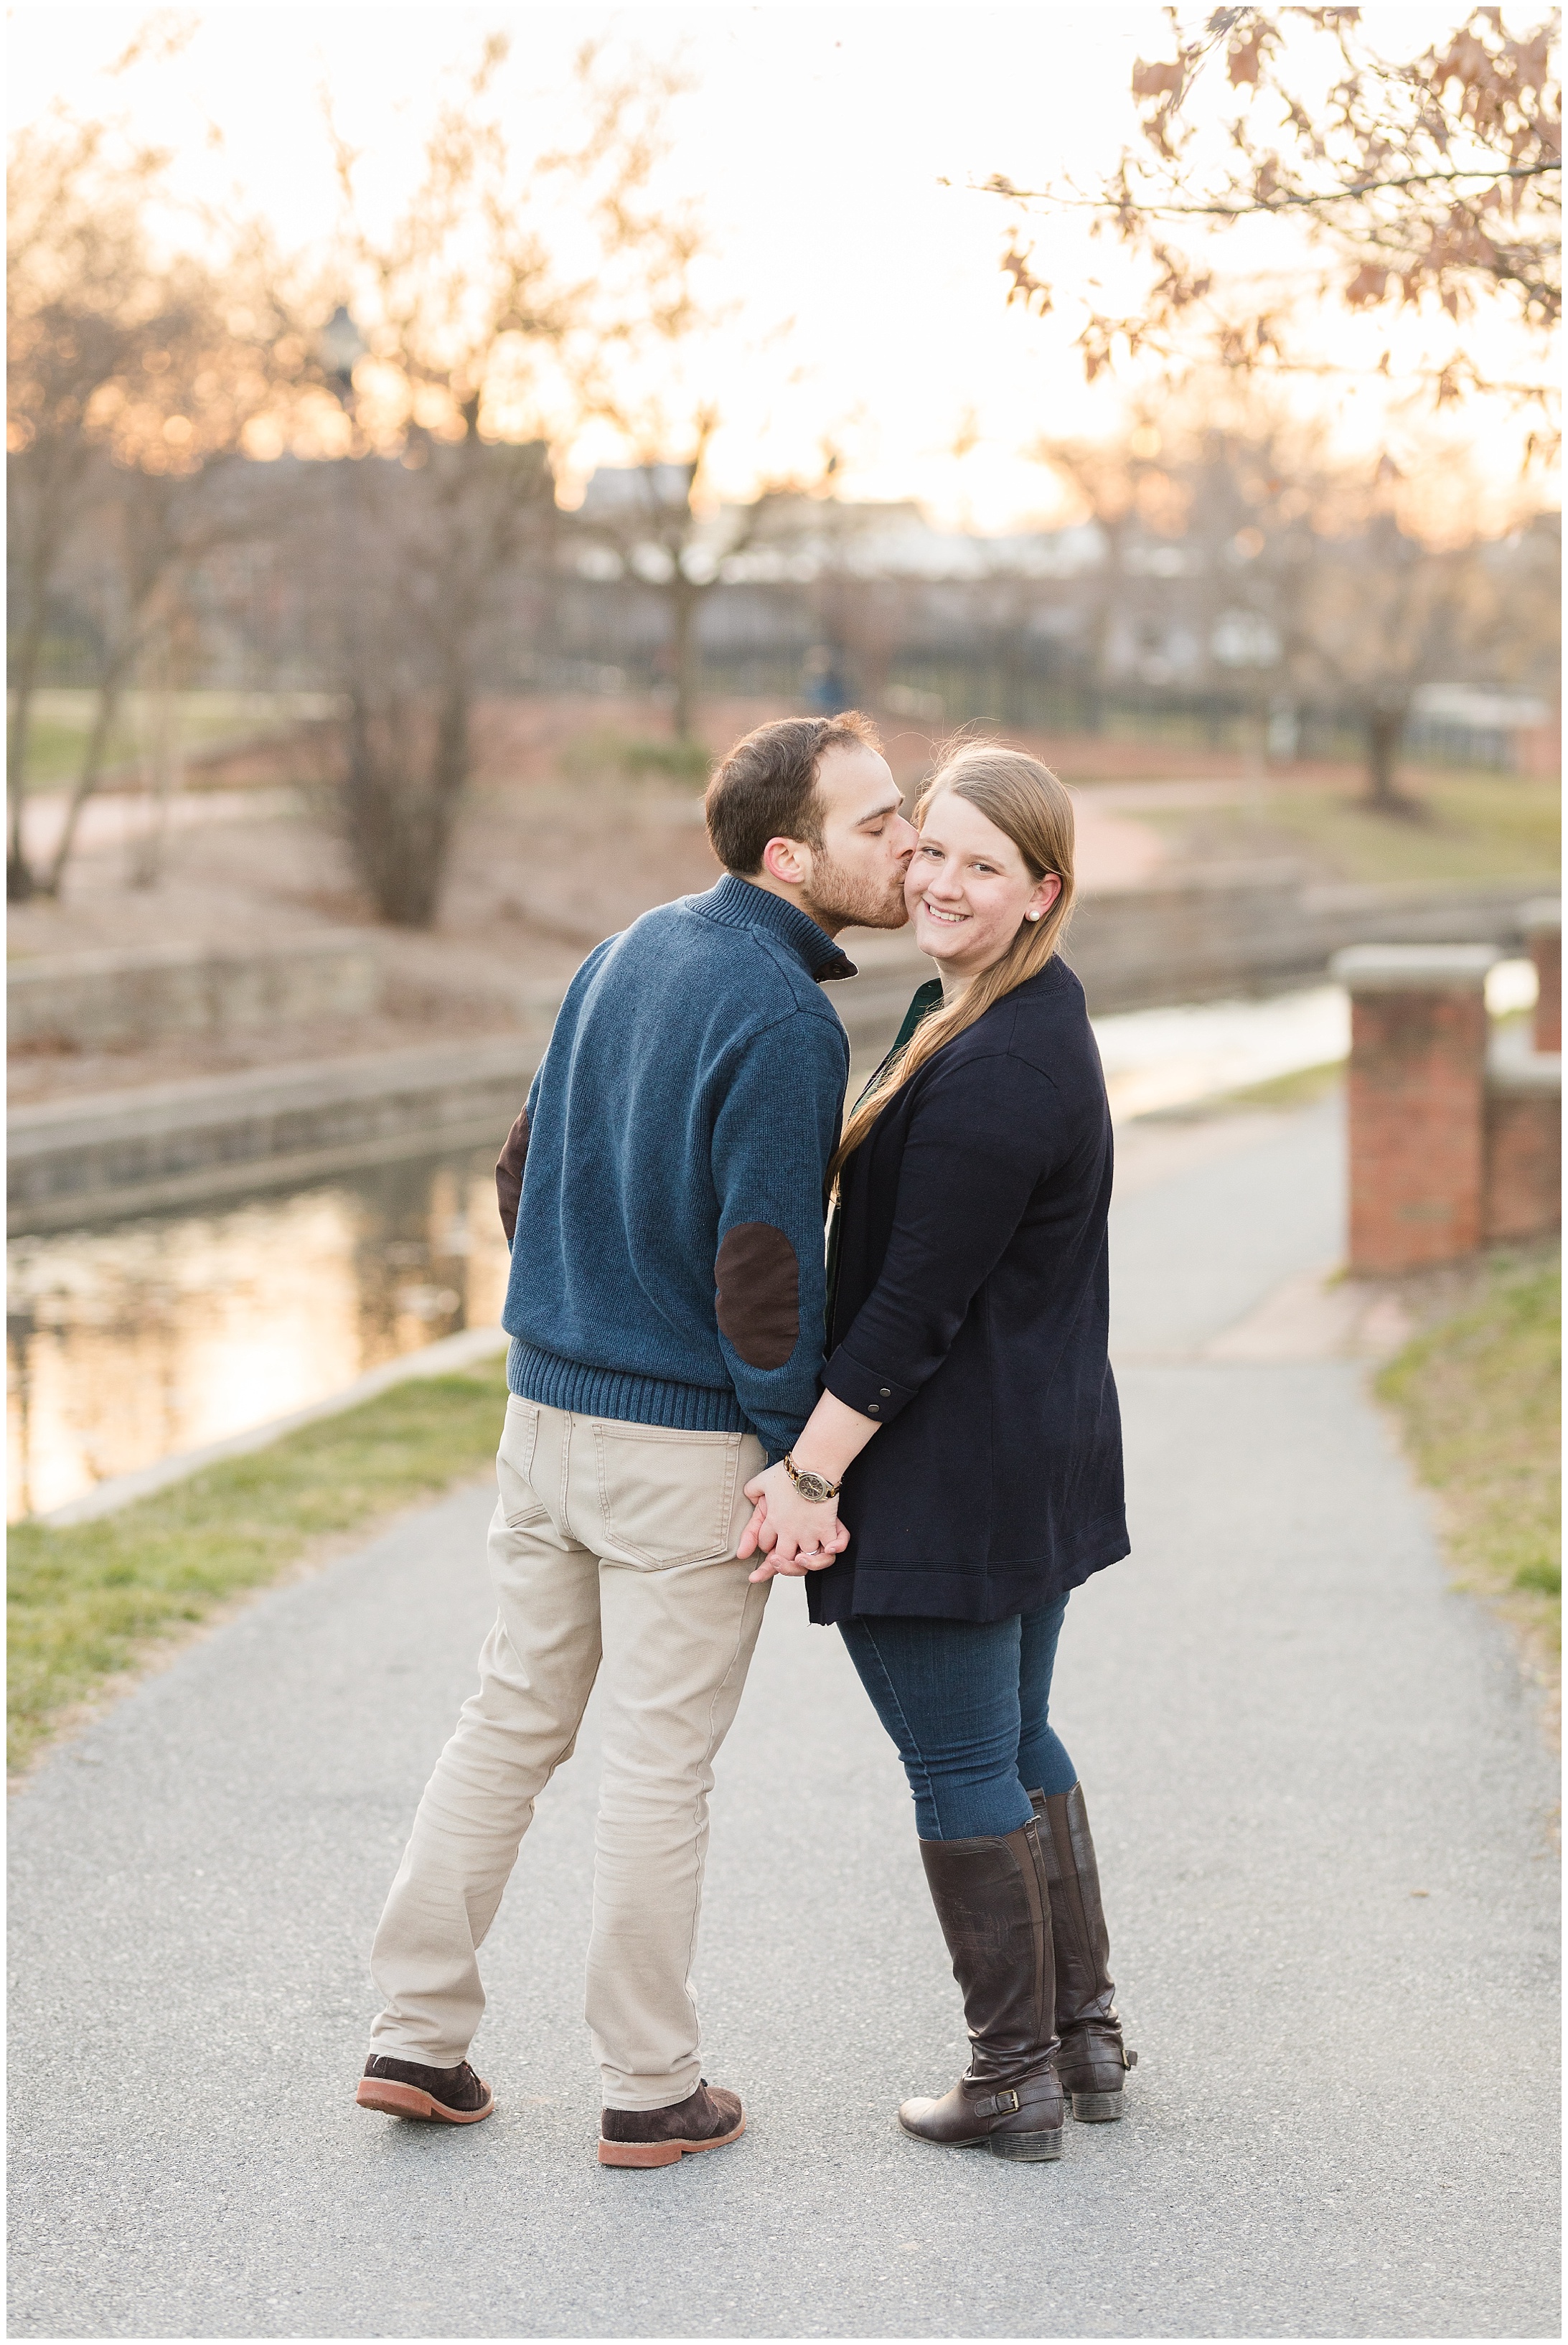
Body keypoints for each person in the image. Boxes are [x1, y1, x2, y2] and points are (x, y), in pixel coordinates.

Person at [357, 712, 916, 2166]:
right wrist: (796, 1456)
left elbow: (519, 1165)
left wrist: (571, 1312)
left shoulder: (622, 951)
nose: (906, 842)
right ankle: (649, 2083)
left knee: (508, 1720)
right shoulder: (788, 1020)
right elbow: (762, 1270)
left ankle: (414, 2036)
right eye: (877, 824)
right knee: (657, 1766)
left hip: (542, 1417)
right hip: (676, 1448)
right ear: (788, 854)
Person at [742, 742, 1133, 2165]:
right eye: (932, 851)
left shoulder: (998, 1063)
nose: (944, 882)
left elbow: (913, 1308)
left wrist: (808, 1472)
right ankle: (1080, 2040)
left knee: (964, 1758)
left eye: (984, 864)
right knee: (1015, 1738)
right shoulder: (994, 1007)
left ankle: (1010, 2074)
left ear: (1042, 888)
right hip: (1027, 1453)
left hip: (955, 1470)